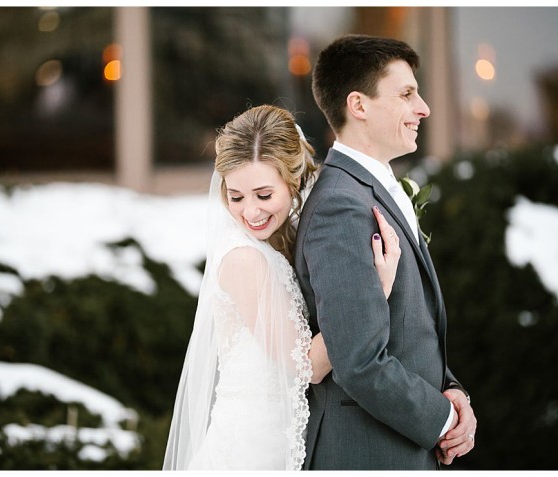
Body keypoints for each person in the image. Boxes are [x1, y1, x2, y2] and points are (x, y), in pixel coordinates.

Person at [163, 105, 402, 470]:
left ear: (292, 183)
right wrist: (375, 290)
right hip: (251, 450)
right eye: (236, 196)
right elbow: (307, 366)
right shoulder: (244, 259)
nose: (250, 212)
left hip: (278, 439)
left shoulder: (280, 238)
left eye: (263, 195)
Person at [294, 34, 476, 470]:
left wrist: (452, 391)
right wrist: (443, 419)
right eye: (407, 94)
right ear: (359, 105)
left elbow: (410, 326)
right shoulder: (340, 205)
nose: (424, 108)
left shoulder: (370, 190)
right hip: (368, 451)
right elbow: (356, 359)